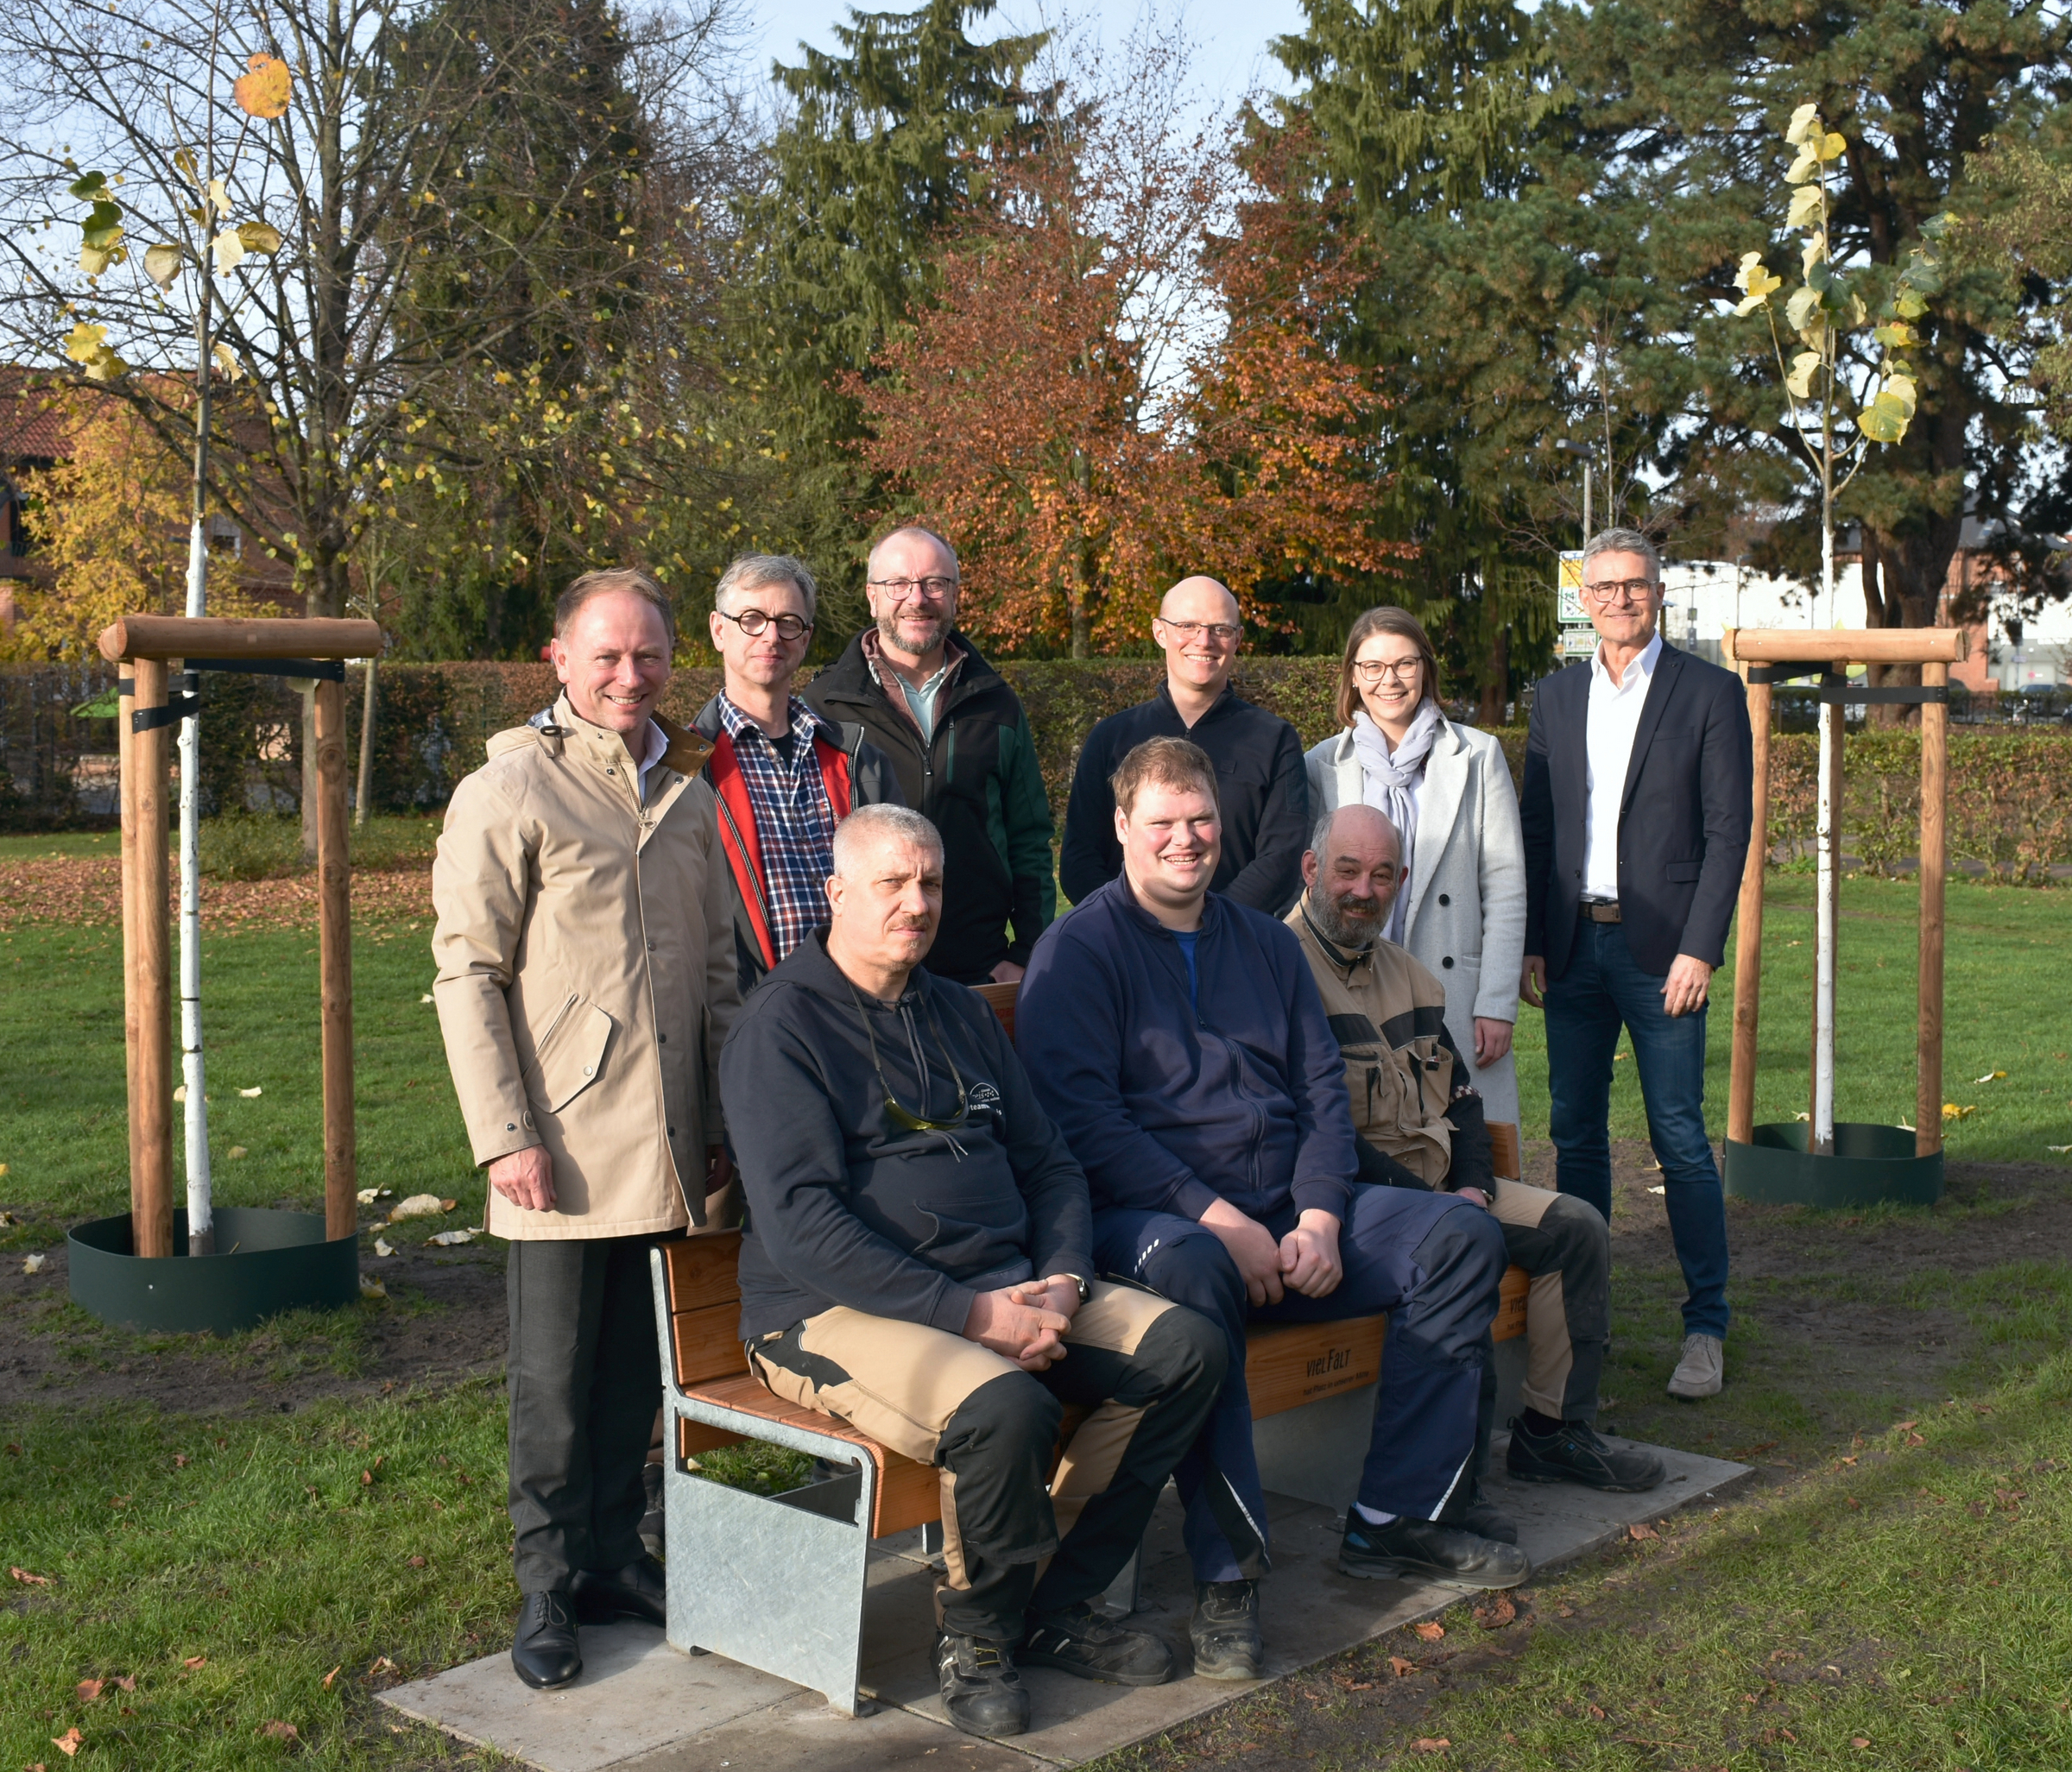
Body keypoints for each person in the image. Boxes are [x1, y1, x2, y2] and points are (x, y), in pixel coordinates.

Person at [1018, 737, 1526, 1687]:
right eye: (1162, 823)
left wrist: (1320, 1214)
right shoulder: (1077, 953)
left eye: (1201, 820)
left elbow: (1322, 1097)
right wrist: (1218, 1218)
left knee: (1460, 1235)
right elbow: (1086, 1127)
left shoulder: (1262, 943)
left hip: (1290, 1217)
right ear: (1122, 828)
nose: (1186, 840)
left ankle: (1396, 1520)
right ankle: (1228, 1575)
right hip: (1151, 1224)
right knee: (1198, 1277)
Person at [722, 804, 1225, 1738]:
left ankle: (1059, 1604)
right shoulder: (782, 1028)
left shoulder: (956, 1010)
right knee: (1003, 1406)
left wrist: (1066, 1278)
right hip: (828, 1310)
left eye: (932, 884)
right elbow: (801, 1226)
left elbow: (1051, 1163)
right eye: (893, 884)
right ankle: (979, 1634)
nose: (917, 904)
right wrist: (971, 1315)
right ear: (836, 893)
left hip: (1006, 1285)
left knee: (1187, 1348)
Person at [432, 568, 740, 1691]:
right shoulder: (509, 791)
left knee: (630, 1375)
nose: (630, 675)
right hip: (557, 1144)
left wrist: (715, 1122)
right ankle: (547, 1586)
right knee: (554, 1386)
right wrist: (503, 1133)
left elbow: (715, 972)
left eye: (649, 655)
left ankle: (617, 1556)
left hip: (661, 1142)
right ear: (558, 660)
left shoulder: (690, 799)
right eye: (606, 655)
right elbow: (467, 974)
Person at [1290, 804, 1664, 1498]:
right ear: (1312, 870)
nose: (1363, 890)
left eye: (1380, 875)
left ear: (1401, 880)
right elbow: (1314, 1133)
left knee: (1575, 1227)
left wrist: (1472, 1189)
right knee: (1465, 1249)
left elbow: (1462, 1098)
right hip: (1359, 1202)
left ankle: (1553, 1431)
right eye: (1347, 871)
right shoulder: (1281, 973)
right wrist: (1438, 1207)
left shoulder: (1410, 973)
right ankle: (1447, 1489)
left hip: (1443, 1191)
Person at [1519, 527, 1753, 1403]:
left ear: (1662, 591)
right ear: (1584, 597)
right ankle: (1588, 1323)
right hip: (1575, 946)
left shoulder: (1708, 693)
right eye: (1605, 585)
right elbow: (1540, 827)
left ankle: (1707, 1325)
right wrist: (1537, 938)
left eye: (1637, 584)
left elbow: (1729, 831)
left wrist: (1701, 945)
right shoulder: (1555, 696)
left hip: (1665, 954)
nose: (1621, 598)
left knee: (1679, 1137)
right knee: (1574, 1134)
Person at [1304, 606, 1527, 1126]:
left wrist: (1497, 1002)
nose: (1390, 680)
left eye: (1404, 664)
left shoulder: (1478, 755)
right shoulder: (1322, 765)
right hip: (1356, 984)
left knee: (1473, 1142)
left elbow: (1505, 885)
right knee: (1380, 1136)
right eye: (1374, 666)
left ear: (1425, 668)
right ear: (1354, 676)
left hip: (1457, 991)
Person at [803, 526, 1053, 985]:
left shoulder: (997, 703)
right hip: (863, 976)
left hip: (979, 969)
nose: (917, 598)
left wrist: (1027, 953)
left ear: (955, 595)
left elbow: (1030, 839)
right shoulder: (823, 707)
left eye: (934, 584)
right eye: (898, 584)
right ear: (872, 597)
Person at [691, 552, 905, 997]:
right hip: (751, 1017)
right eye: (752, 618)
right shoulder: (686, 768)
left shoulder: (860, 758)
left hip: (860, 1010)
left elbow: (900, 885)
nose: (771, 635)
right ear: (718, 630)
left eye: (788, 621)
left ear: (805, 639)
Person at [1059, 575, 1309, 913]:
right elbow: (1079, 857)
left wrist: (1211, 927)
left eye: (1220, 628)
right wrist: (1128, 925)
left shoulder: (1275, 740)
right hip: (1125, 946)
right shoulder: (1110, 738)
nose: (1204, 640)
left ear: (1238, 639)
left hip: (1233, 945)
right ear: (1160, 632)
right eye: (1187, 625)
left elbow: (1281, 859)